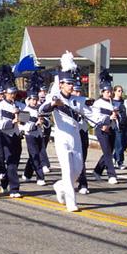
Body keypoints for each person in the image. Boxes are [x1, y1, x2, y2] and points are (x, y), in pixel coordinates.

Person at [39, 52, 92, 212]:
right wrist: (54, 104)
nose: (71, 86)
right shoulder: (54, 97)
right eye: (68, 84)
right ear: (61, 84)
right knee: (68, 170)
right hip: (62, 139)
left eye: (72, 84)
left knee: (77, 171)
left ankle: (59, 185)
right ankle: (71, 202)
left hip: (76, 139)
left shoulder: (78, 100)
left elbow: (91, 113)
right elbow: (42, 110)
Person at [91, 69, 119, 185]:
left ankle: (97, 171)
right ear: (102, 92)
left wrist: (117, 115)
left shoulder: (113, 103)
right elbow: (95, 119)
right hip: (101, 129)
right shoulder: (98, 104)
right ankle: (111, 175)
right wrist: (109, 118)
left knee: (109, 151)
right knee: (107, 152)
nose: (109, 93)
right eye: (107, 91)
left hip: (111, 129)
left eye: (110, 91)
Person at [112, 85, 127, 170]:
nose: (120, 92)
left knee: (125, 144)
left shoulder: (124, 102)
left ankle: (114, 156)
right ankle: (119, 161)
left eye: (121, 91)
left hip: (126, 124)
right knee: (119, 144)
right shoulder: (111, 102)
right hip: (117, 125)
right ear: (114, 92)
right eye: (119, 91)